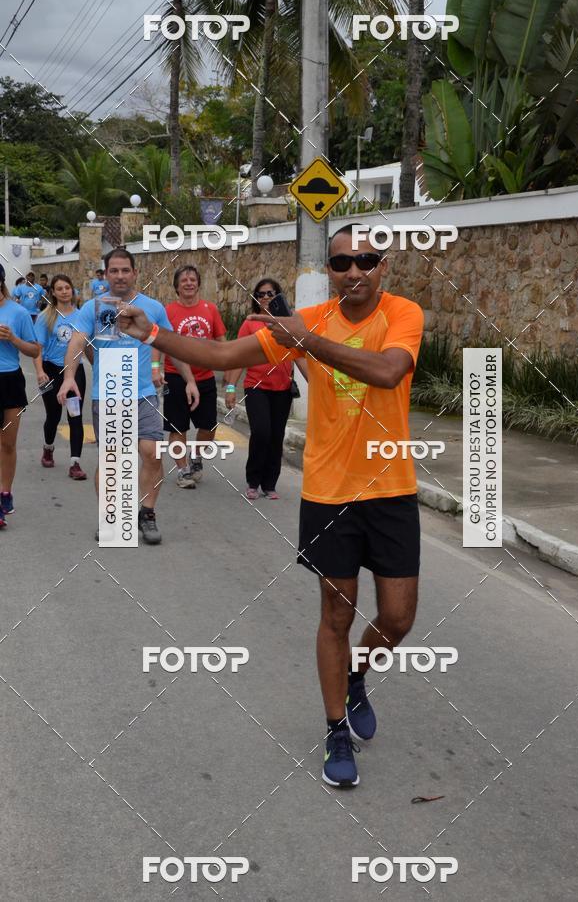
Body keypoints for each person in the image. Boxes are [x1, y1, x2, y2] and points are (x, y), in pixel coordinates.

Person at [117, 224, 424, 787]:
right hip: (329, 491)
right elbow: (219, 352)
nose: (354, 270)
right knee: (336, 614)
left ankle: (356, 675)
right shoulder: (307, 321)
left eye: (366, 259)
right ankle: (335, 728)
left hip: (392, 488)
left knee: (399, 617)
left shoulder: (402, 314)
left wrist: (303, 341)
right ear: (329, 272)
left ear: (384, 265)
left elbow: (387, 372)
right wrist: (153, 334)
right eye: (341, 263)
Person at [57, 248, 199, 544]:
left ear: (135, 273)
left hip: (144, 394)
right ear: (105, 275)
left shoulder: (153, 308)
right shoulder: (92, 308)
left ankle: (146, 514)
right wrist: (69, 377)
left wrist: (189, 380)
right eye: (114, 271)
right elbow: (77, 342)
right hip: (108, 396)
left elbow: (173, 345)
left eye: (125, 270)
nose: (120, 276)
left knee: (151, 453)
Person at [224, 278, 303, 500]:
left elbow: (299, 354)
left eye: (270, 293)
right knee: (261, 432)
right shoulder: (250, 324)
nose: (265, 298)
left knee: (276, 437)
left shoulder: (288, 323)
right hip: (256, 387)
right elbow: (237, 357)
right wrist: (231, 387)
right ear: (255, 299)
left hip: (283, 389)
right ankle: (253, 481)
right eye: (260, 295)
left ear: (278, 296)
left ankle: (270, 484)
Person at [153, 264, 226, 489]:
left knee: (209, 426)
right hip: (175, 378)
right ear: (177, 286)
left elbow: (222, 341)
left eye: (192, 279)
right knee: (178, 428)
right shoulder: (167, 311)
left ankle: (195, 457)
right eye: (183, 280)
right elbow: (158, 340)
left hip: (205, 377)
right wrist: (156, 367)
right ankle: (183, 470)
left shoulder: (210, 309)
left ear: (198, 284)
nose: (188, 283)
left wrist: (225, 365)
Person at [34, 274, 88, 480]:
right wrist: (40, 372)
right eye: (60, 288)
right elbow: (37, 349)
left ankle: (75, 463)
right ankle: (48, 448)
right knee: (53, 416)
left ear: (72, 290)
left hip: (74, 372)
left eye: (67, 287)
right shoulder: (45, 317)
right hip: (50, 371)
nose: (65, 291)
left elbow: (88, 346)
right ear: (53, 293)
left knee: (75, 416)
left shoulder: (82, 316)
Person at [0, 262, 40, 529]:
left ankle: (5, 493)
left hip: (10, 380)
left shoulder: (19, 313)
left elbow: (35, 350)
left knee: (8, 444)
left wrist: (13, 339)